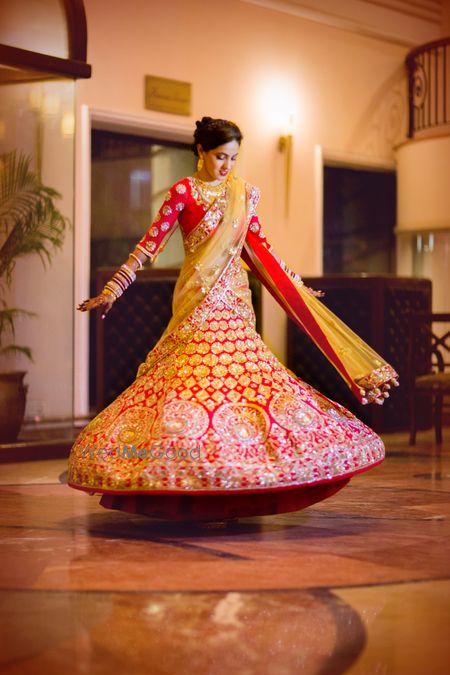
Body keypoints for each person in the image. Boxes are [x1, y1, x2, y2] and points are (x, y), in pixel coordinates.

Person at [68, 116, 398, 520]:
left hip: (237, 305)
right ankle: (187, 476)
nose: (227, 166)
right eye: (220, 156)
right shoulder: (183, 193)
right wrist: (112, 289)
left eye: (233, 158)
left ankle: (246, 476)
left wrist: (296, 286)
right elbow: (148, 245)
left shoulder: (243, 195)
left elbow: (261, 250)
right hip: (197, 303)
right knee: (191, 387)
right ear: (200, 152)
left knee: (248, 385)